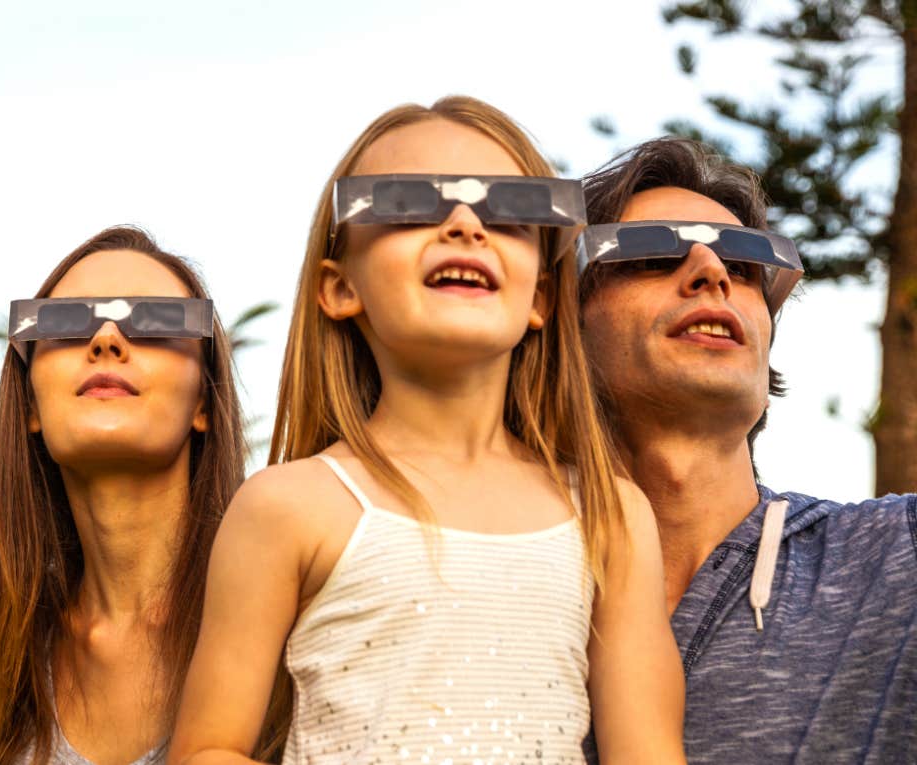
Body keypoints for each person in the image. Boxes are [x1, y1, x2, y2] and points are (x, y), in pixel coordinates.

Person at [168, 96, 685, 764]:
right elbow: (209, 748)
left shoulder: (612, 516)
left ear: (540, 299)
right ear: (338, 287)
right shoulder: (285, 506)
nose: (466, 224)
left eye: (509, 212)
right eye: (410, 204)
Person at [577, 136, 917, 763]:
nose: (712, 273)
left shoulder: (902, 552)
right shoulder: (488, 584)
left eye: (744, 265)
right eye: (654, 253)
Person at [0, 226, 247, 765]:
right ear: (29, 405)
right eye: (66, 323)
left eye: (156, 321)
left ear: (204, 403)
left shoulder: (293, 615)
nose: (106, 340)